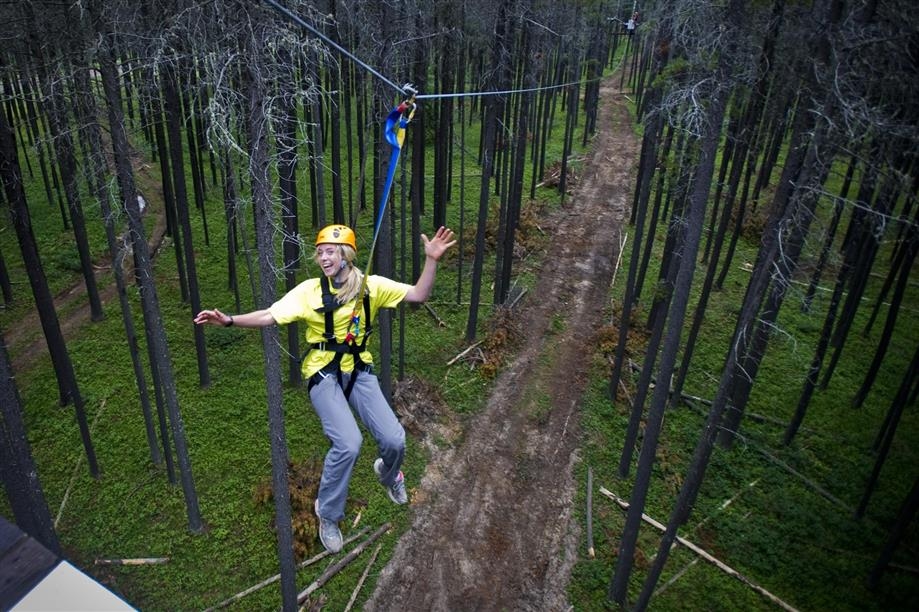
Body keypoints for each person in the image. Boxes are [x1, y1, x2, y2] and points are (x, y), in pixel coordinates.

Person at [194, 224, 456, 553]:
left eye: (330, 251)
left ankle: (389, 475)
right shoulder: (309, 292)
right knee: (349, 442)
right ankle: (328, 513)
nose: (322, 257)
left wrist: (431, 259)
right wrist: (230, 320)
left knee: (395, 439)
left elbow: (418, 294)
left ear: (346, 255)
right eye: (319, 252)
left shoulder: (371, 288)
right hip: (322, 373)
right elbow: (270, 316)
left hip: (359, 370)